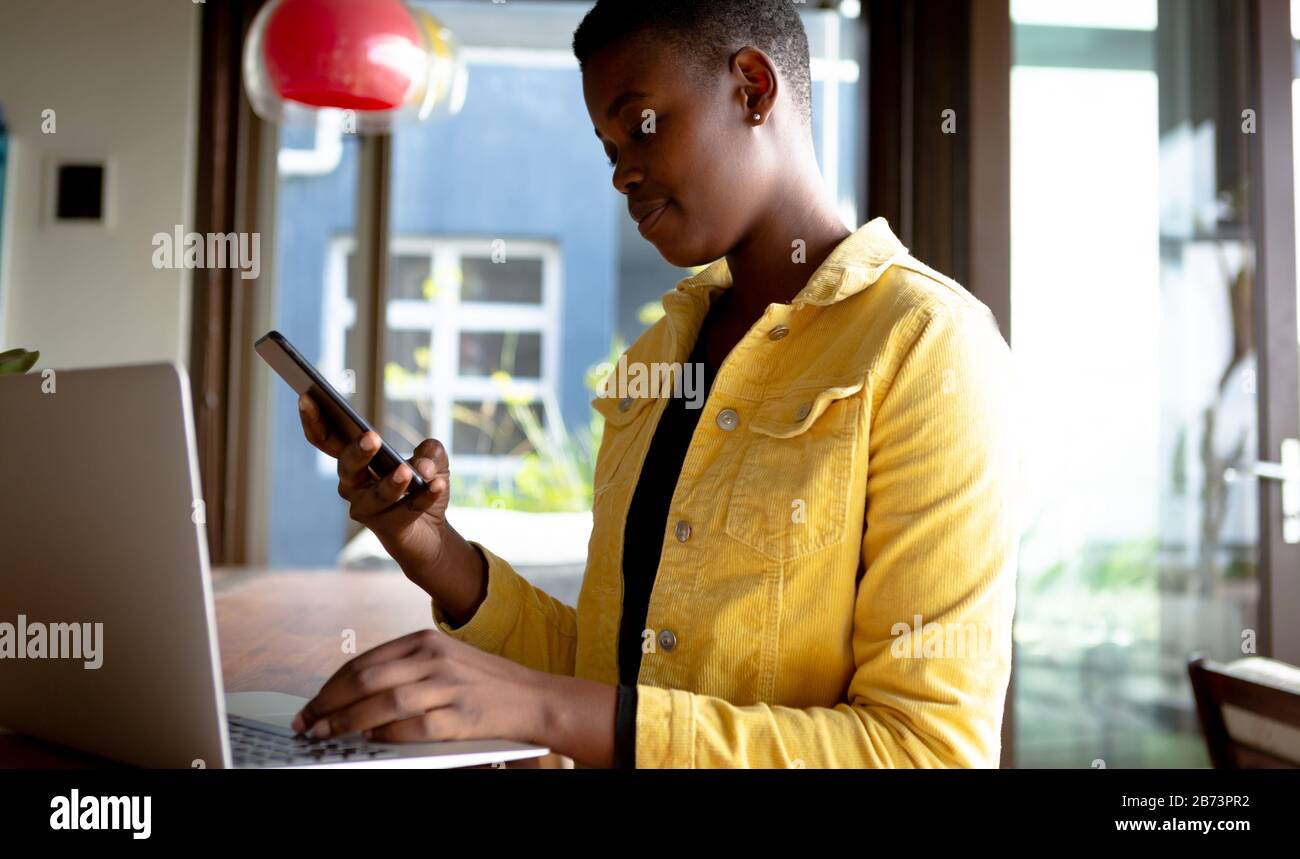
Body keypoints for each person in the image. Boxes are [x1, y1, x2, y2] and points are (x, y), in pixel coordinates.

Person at [290, 0, 1018, 768]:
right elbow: (614, 674)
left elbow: (926, 750)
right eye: (606, 149)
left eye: (639, 126)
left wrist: (543, 708)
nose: (620, 174)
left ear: (753, 88)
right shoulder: (659, 353)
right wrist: (429, 546)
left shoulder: (928, 344)